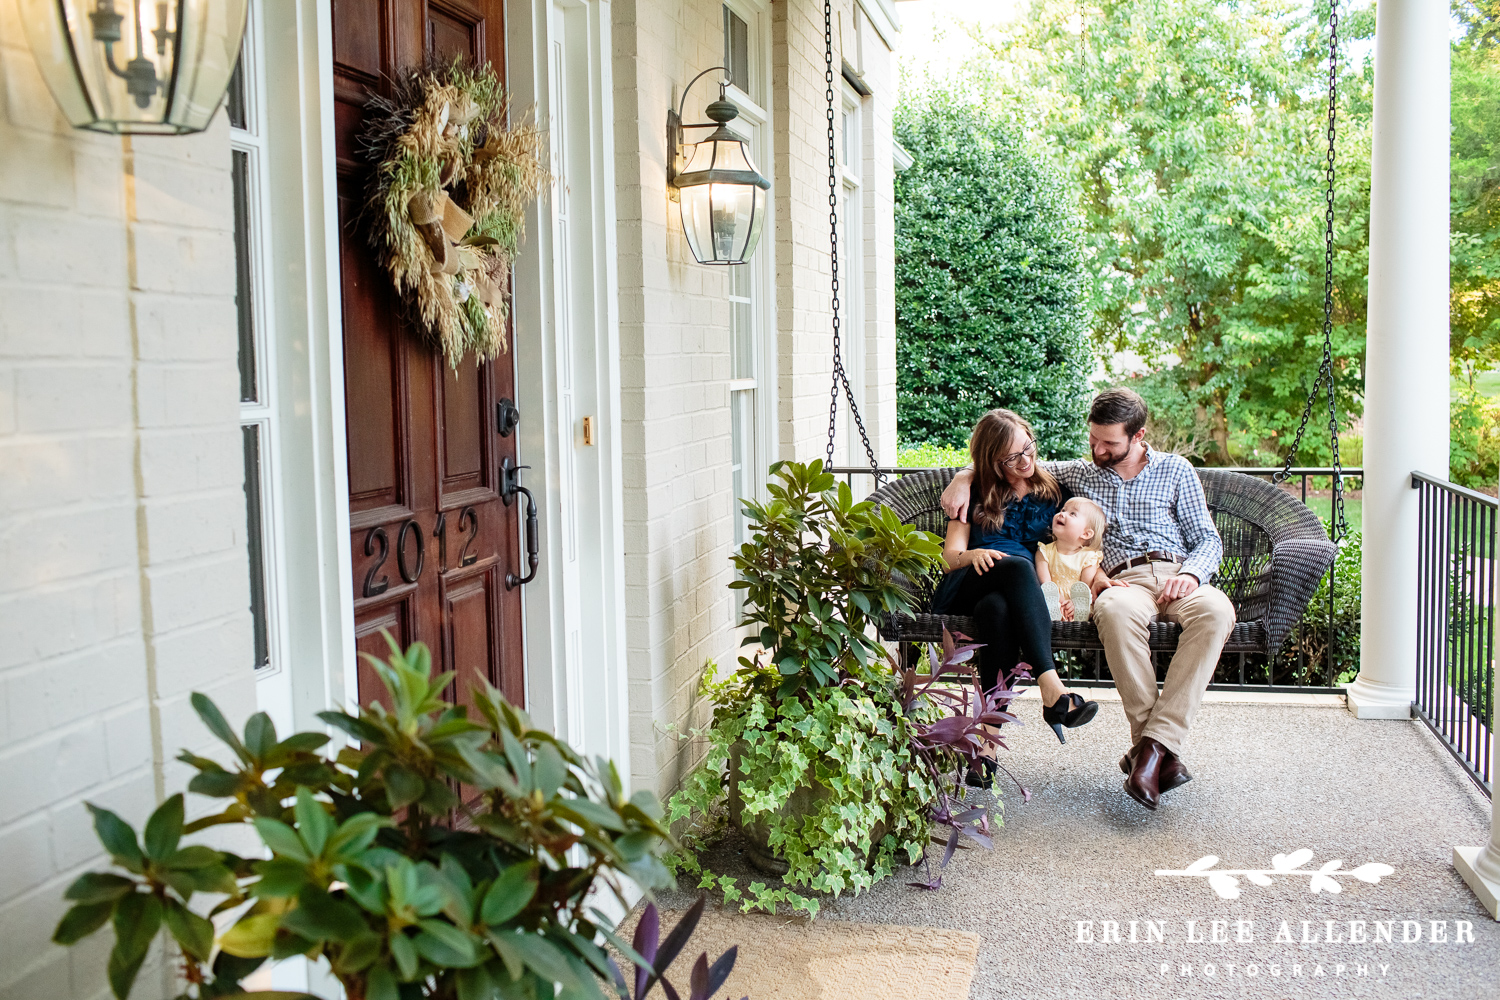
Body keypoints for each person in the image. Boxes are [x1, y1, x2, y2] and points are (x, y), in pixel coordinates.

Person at [940, 388, 1236, 812]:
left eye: (1109, 443)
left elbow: (1207, 539)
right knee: (1080, 598)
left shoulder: (1169, 471)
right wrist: (964, 476)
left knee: (1217, 611)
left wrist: (1191, 573)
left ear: (1138, 436)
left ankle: (1150, 751)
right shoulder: (1079, 473)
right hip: (1084, 580)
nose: (1097, 450)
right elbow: (991, 472)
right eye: (1093, 440)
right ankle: (1054, 692)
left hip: (1174, 575)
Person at [932, 409, 1100, 770]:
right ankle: (1051, 686)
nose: (1026, 460)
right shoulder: (975, 491)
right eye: (1013, 457)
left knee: (997, 611)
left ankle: (986, 741)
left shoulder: (1053, 491)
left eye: (1029, 448)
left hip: (1012, 594)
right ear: (993, 459)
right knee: (1018, 566)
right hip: (969, 580)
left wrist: (1090, 580)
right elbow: (949, 557)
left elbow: (1077, 541)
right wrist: (971, 552)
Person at [1034, 497, 1110, 622]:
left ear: (1086, 534)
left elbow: (1086, 587)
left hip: (1078, 601)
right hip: (1053, 598)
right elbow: (1046, 583)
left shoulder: (1089, 556)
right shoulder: (1044, 551)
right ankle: (1054, 612)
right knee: (1047, 599)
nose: (1062, 514)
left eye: (1072, 513)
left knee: (1083, 604)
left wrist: (1073, 603)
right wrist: (1060, 600)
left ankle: (1078, 613)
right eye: (1063, 509)